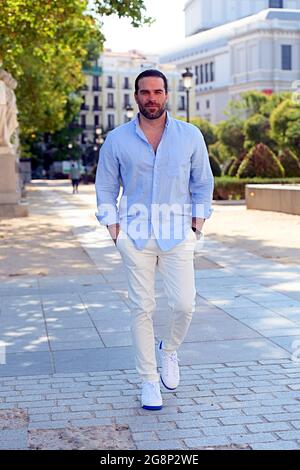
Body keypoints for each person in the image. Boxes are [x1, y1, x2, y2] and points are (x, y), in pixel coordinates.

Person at [95, 69, 214, 410]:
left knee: (184, 304)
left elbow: (202, 183)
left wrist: (197, 227)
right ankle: (149, 379)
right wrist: (114, 230)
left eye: (157, 92)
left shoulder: (190, 135)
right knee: (141, 308)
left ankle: (170, 349)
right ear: (136, 97)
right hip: (135, 235)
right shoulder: (117, 140)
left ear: (167, 95)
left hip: (178, 234)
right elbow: (105, 187)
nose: (151, 98)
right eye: (145, 92)